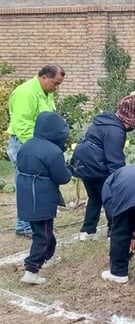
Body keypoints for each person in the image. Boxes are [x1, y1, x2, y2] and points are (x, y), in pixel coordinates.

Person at [70, 95, 135, 241]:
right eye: (133, 124)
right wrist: (121, 179)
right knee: (111, 199)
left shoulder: (101, 122)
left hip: (83, 165)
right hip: (98, 168)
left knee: (94, 198)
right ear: (127, 120)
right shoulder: (116, 131)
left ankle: (87, 231)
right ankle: (114, 231)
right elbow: (114, 159)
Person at [7, 64, 65, 237]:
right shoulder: (26, 93)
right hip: (25, 145)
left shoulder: (45, 92)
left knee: (40, 184)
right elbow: (22, 125)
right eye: (55, 83)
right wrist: (37, 149)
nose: (56, 88)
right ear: (44, 77)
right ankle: (24, 225)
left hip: (38, 146)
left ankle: (36, 222)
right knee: (27, 183)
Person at [17, 112, 72, 284]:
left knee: (41, 230)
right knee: (43, 235)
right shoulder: (53, 151)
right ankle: (31, 270)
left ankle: (49, 256)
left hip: (25, 194)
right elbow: (63, 177)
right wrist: (70, 169)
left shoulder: (26, 145)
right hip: (42, 197)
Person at [100, 165, 135, 286]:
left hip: (122, 194)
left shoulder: (110, 181)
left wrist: (115, 224)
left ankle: (118, 273)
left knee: (119, 232)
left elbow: (110, 207)